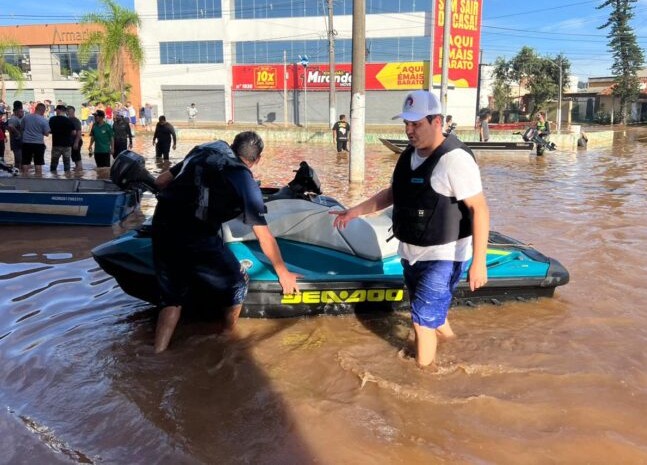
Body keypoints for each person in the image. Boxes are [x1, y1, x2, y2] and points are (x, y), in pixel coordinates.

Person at [331, 90, 490, 368]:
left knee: (421, 322)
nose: (409, 130)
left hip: (444, 255)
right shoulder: (409, 154)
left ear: (436, 122)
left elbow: (480, 209)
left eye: (416, 124)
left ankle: (422, 378)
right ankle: (458, 348)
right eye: (406, 123)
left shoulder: (455, 160)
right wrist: (354, 211)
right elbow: (394, 193)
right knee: (428, 314)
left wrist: (479, 263)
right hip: (411, 253)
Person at [151, 132, 302, 352]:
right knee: (238, 282)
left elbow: (161, 181)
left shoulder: (205, 149)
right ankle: (228, 336)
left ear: (232, 145)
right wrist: (283, 273)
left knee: (172, 297)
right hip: (196, 234)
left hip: (163, 225)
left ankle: (158, 351)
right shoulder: (244, 179)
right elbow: (263, 234)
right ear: (257, 159)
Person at [20, 102, 50, 175]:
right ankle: (38, 178)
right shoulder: (44, 120)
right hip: (38, 143)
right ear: (43, 110)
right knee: (38, 163)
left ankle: (25, 177)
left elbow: (22, 128)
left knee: (25, 162)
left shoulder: (26, 117)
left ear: (35, 109)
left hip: (26, 142)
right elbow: (47, 134)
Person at [48, 105, 76, 172]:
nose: (55, 112)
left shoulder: (52, 119)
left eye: (56, 110)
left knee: (54, 163)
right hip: (67, 145)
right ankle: (67, 176)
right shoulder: (68, 120)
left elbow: (49, 131)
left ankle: (53, 176)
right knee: (67, 163)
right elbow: (74, 132)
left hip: (56, 144)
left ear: (58, 110)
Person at [67, 106, 84, 171]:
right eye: (67, 111)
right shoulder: (69, 119)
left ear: (73, 111)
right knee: (74, 155)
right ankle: (77, 167)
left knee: (76, 155)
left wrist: (76, 142)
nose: (67, 112)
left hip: (76, 141)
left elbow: (79, 131)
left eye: (68, 111)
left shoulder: (74, 120)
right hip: (73, 141)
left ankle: (79, 168)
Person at [7, 101, 24, 168]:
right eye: (21, 112)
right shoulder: (13, 118)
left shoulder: (18, 118)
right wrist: (18, 133)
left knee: (21, 160)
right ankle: (17, 172)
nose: (23, 113)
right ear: (17, 112)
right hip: (16, 143)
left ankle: (20, 172)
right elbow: (10, 126)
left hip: (19, 142)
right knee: (18, 160)